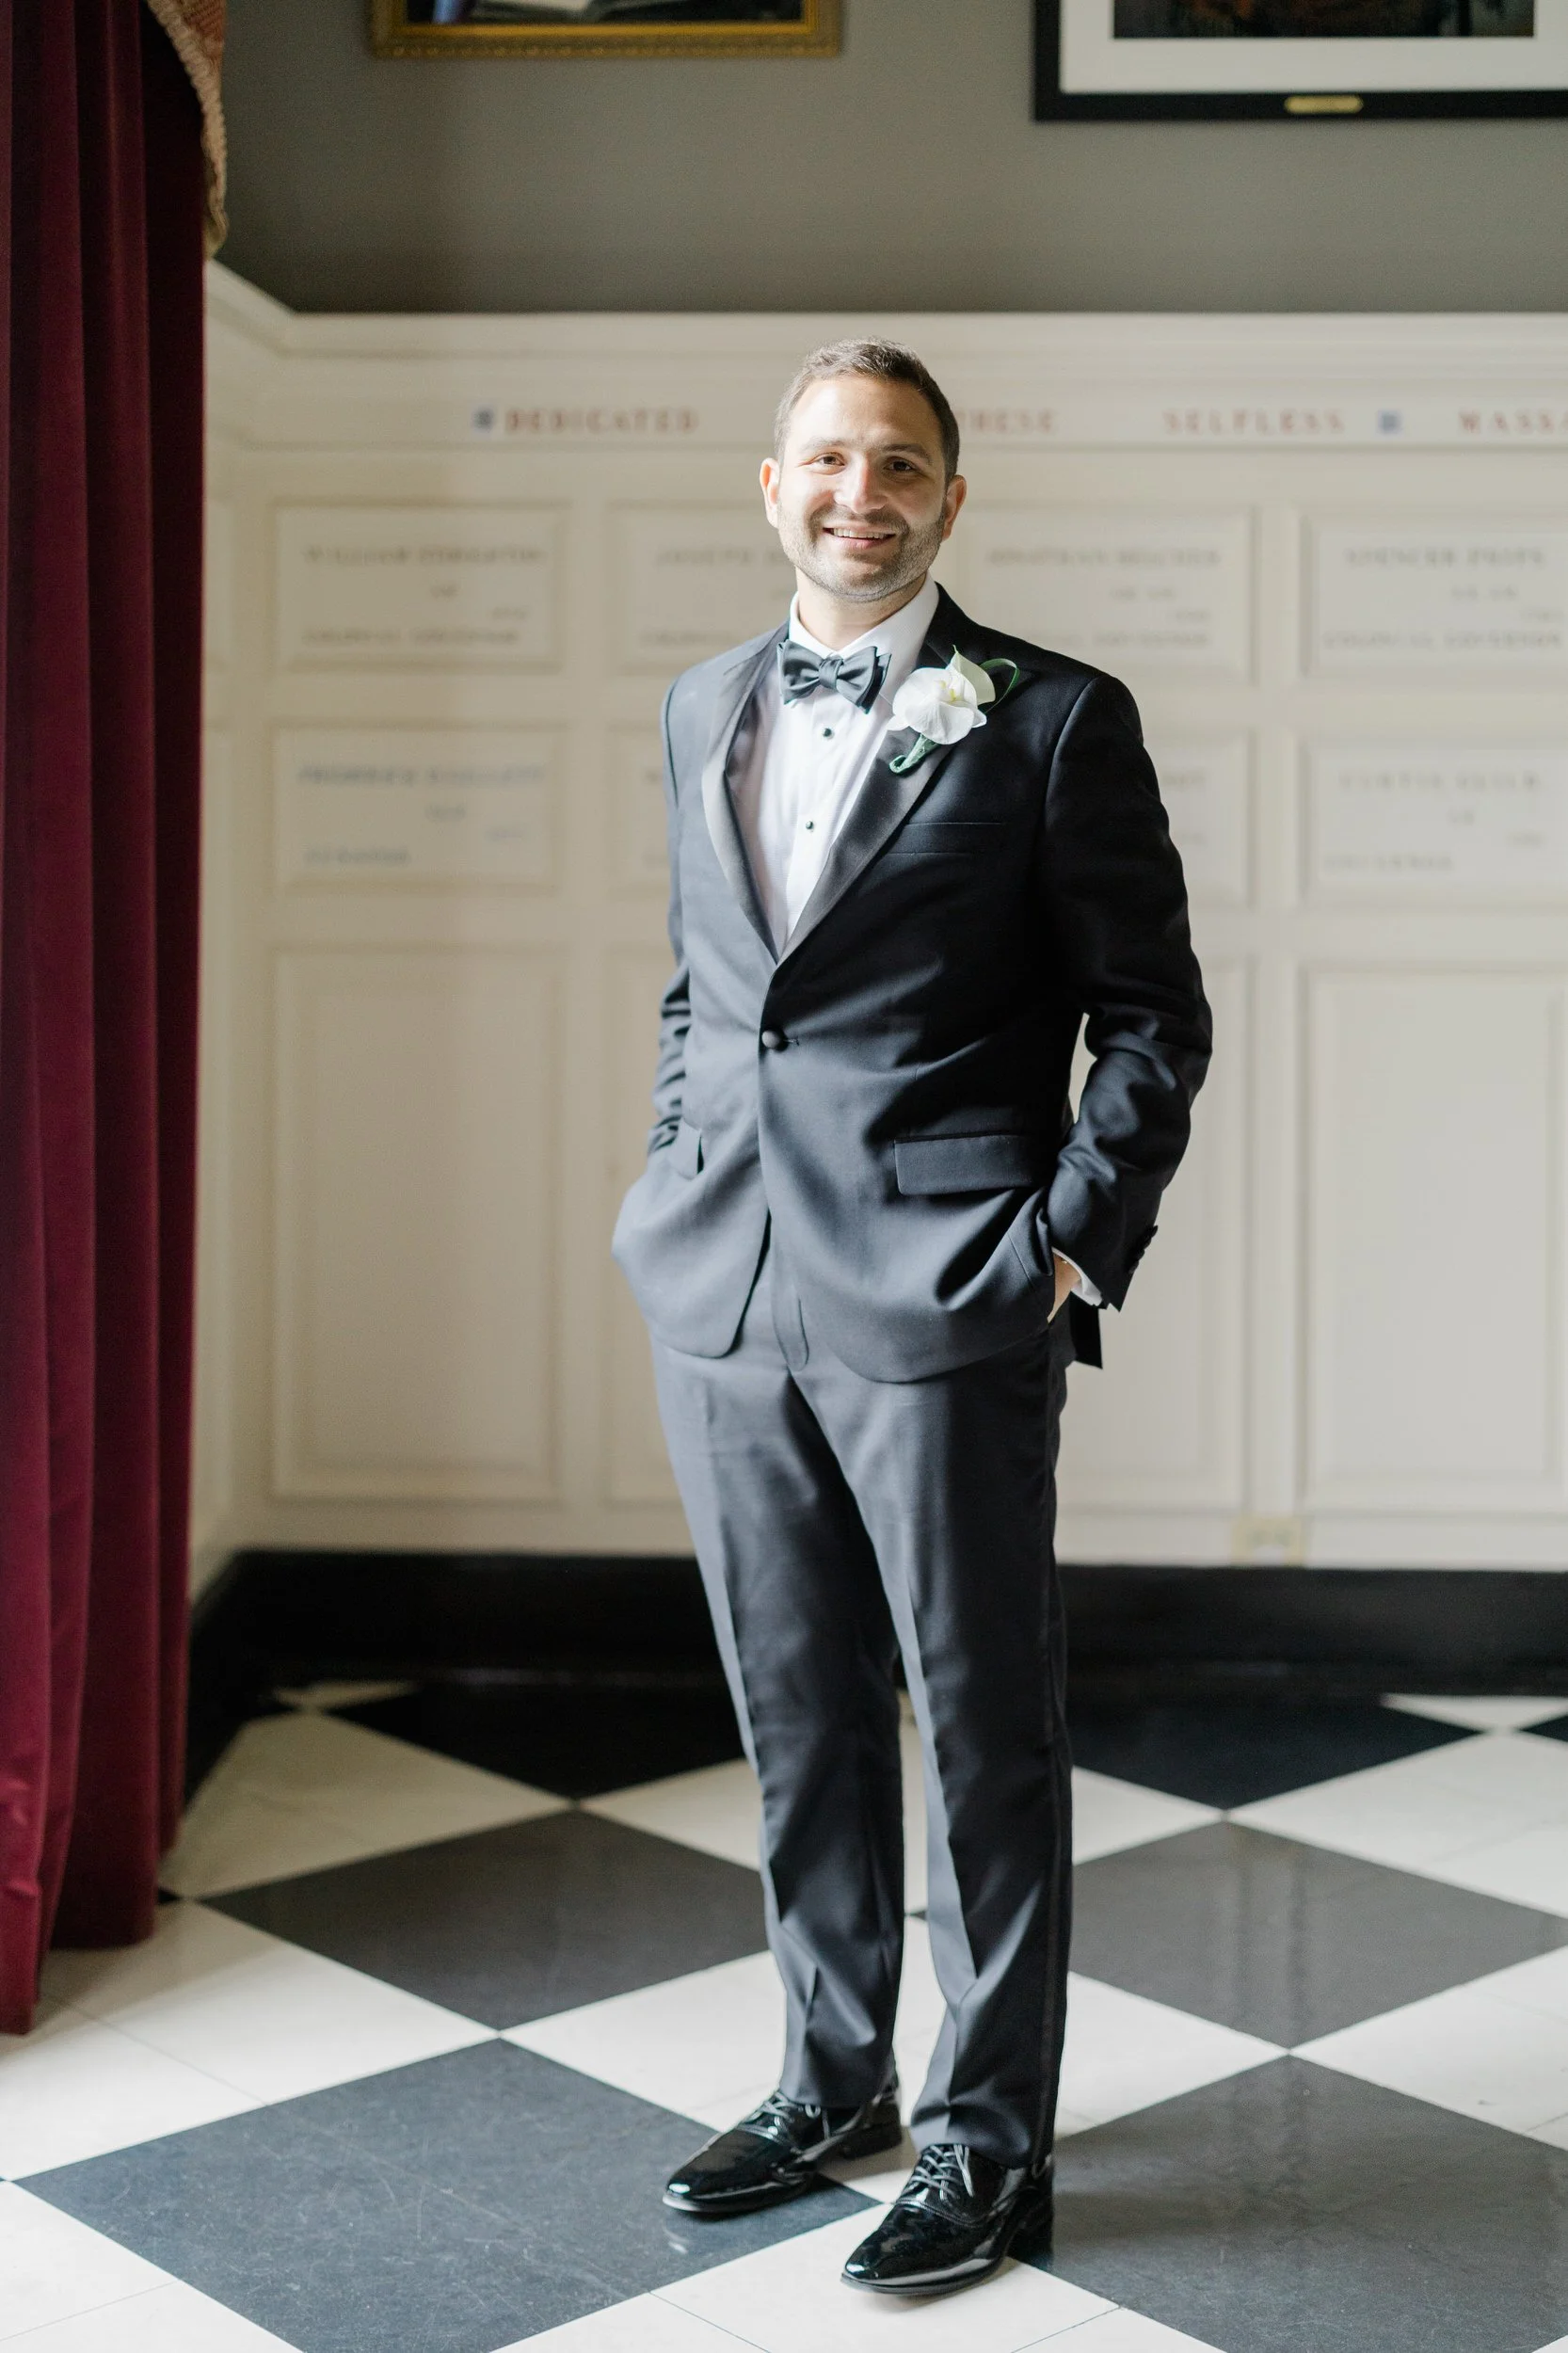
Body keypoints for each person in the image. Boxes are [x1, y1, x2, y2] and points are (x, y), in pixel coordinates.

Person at [612, 340, 1210, 2297]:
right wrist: (666, 1179)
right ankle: (829, 2071)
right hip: (722, 1291)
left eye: (898, 463)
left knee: (977, 1727)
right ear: (764, 482)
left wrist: (1057, 1242)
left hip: (947, 1292)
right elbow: (715, 992)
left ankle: (991, 2141)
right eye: (824, 458)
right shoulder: (704, 700)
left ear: (950, 497)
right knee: (793, 1716)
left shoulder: (1048, 719)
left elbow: (1151, 1014)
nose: (855, 491)